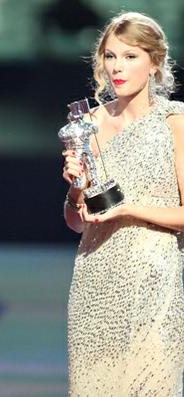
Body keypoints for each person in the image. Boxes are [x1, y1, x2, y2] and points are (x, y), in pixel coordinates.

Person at [61, 11, 184, 395]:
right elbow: (76, 222)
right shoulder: (88, 125)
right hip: (94, 279)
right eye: (110, 56)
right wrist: (74, 188)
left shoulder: (174, 122)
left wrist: (130, 210)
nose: (117, 66)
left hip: (153, 281)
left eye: (130, 56)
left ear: (154, 62)